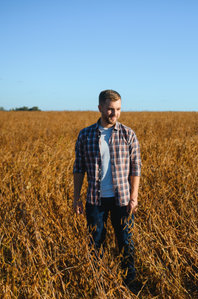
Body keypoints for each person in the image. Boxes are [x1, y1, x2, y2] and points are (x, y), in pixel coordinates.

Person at [72, 89, 141, 287]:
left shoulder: (128, 134)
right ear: (100, 108)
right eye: (110, 109)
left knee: (126, 242)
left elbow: (136, 167)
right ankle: (98, 282)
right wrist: (76, 198)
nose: (114, 114)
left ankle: (130, 284)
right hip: (95, 199)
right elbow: (79, 168)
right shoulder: (85, 135)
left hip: (123, 199)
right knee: (95, 243)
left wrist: (134, 197)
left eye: (118, 109)